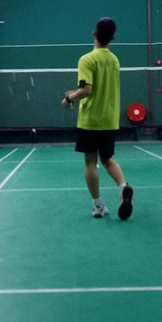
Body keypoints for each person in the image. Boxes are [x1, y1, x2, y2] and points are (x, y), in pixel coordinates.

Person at [62, 17, 134, 220]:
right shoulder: (114, 60)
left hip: (91, 120)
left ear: (94, 33)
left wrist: (69, 98)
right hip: (110, 119)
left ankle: (98, 206)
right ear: (112, 37)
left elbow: (87, 90)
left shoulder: (87, 59)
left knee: (90, 163)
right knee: (107, 159)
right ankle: (123, 187)